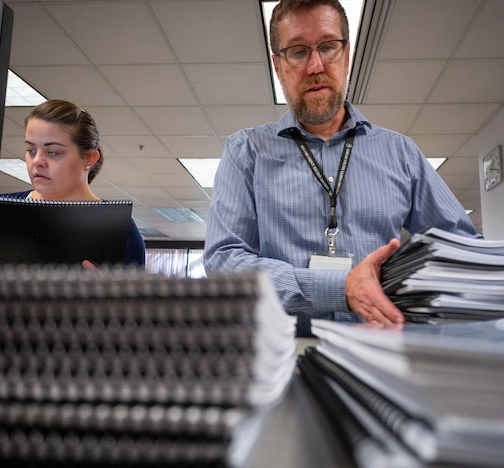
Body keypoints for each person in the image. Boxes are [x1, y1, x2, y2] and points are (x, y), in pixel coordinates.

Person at [203, 0, 479, 336]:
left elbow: (462, 250)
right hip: (280, 358)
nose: (315, 65)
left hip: (381, 352)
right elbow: (224, 264)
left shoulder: (401, 153)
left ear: (346, 55)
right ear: (278, 66)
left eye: (328, 47)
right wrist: (338, 287)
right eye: (298, 51)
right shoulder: (245, 153)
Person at [0, 99, 146, 268]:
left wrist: (108, 301)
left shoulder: (120, 230)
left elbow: (135, 310)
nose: (37, 161)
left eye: (53, 152)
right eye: (31, 150)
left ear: (89, 159)